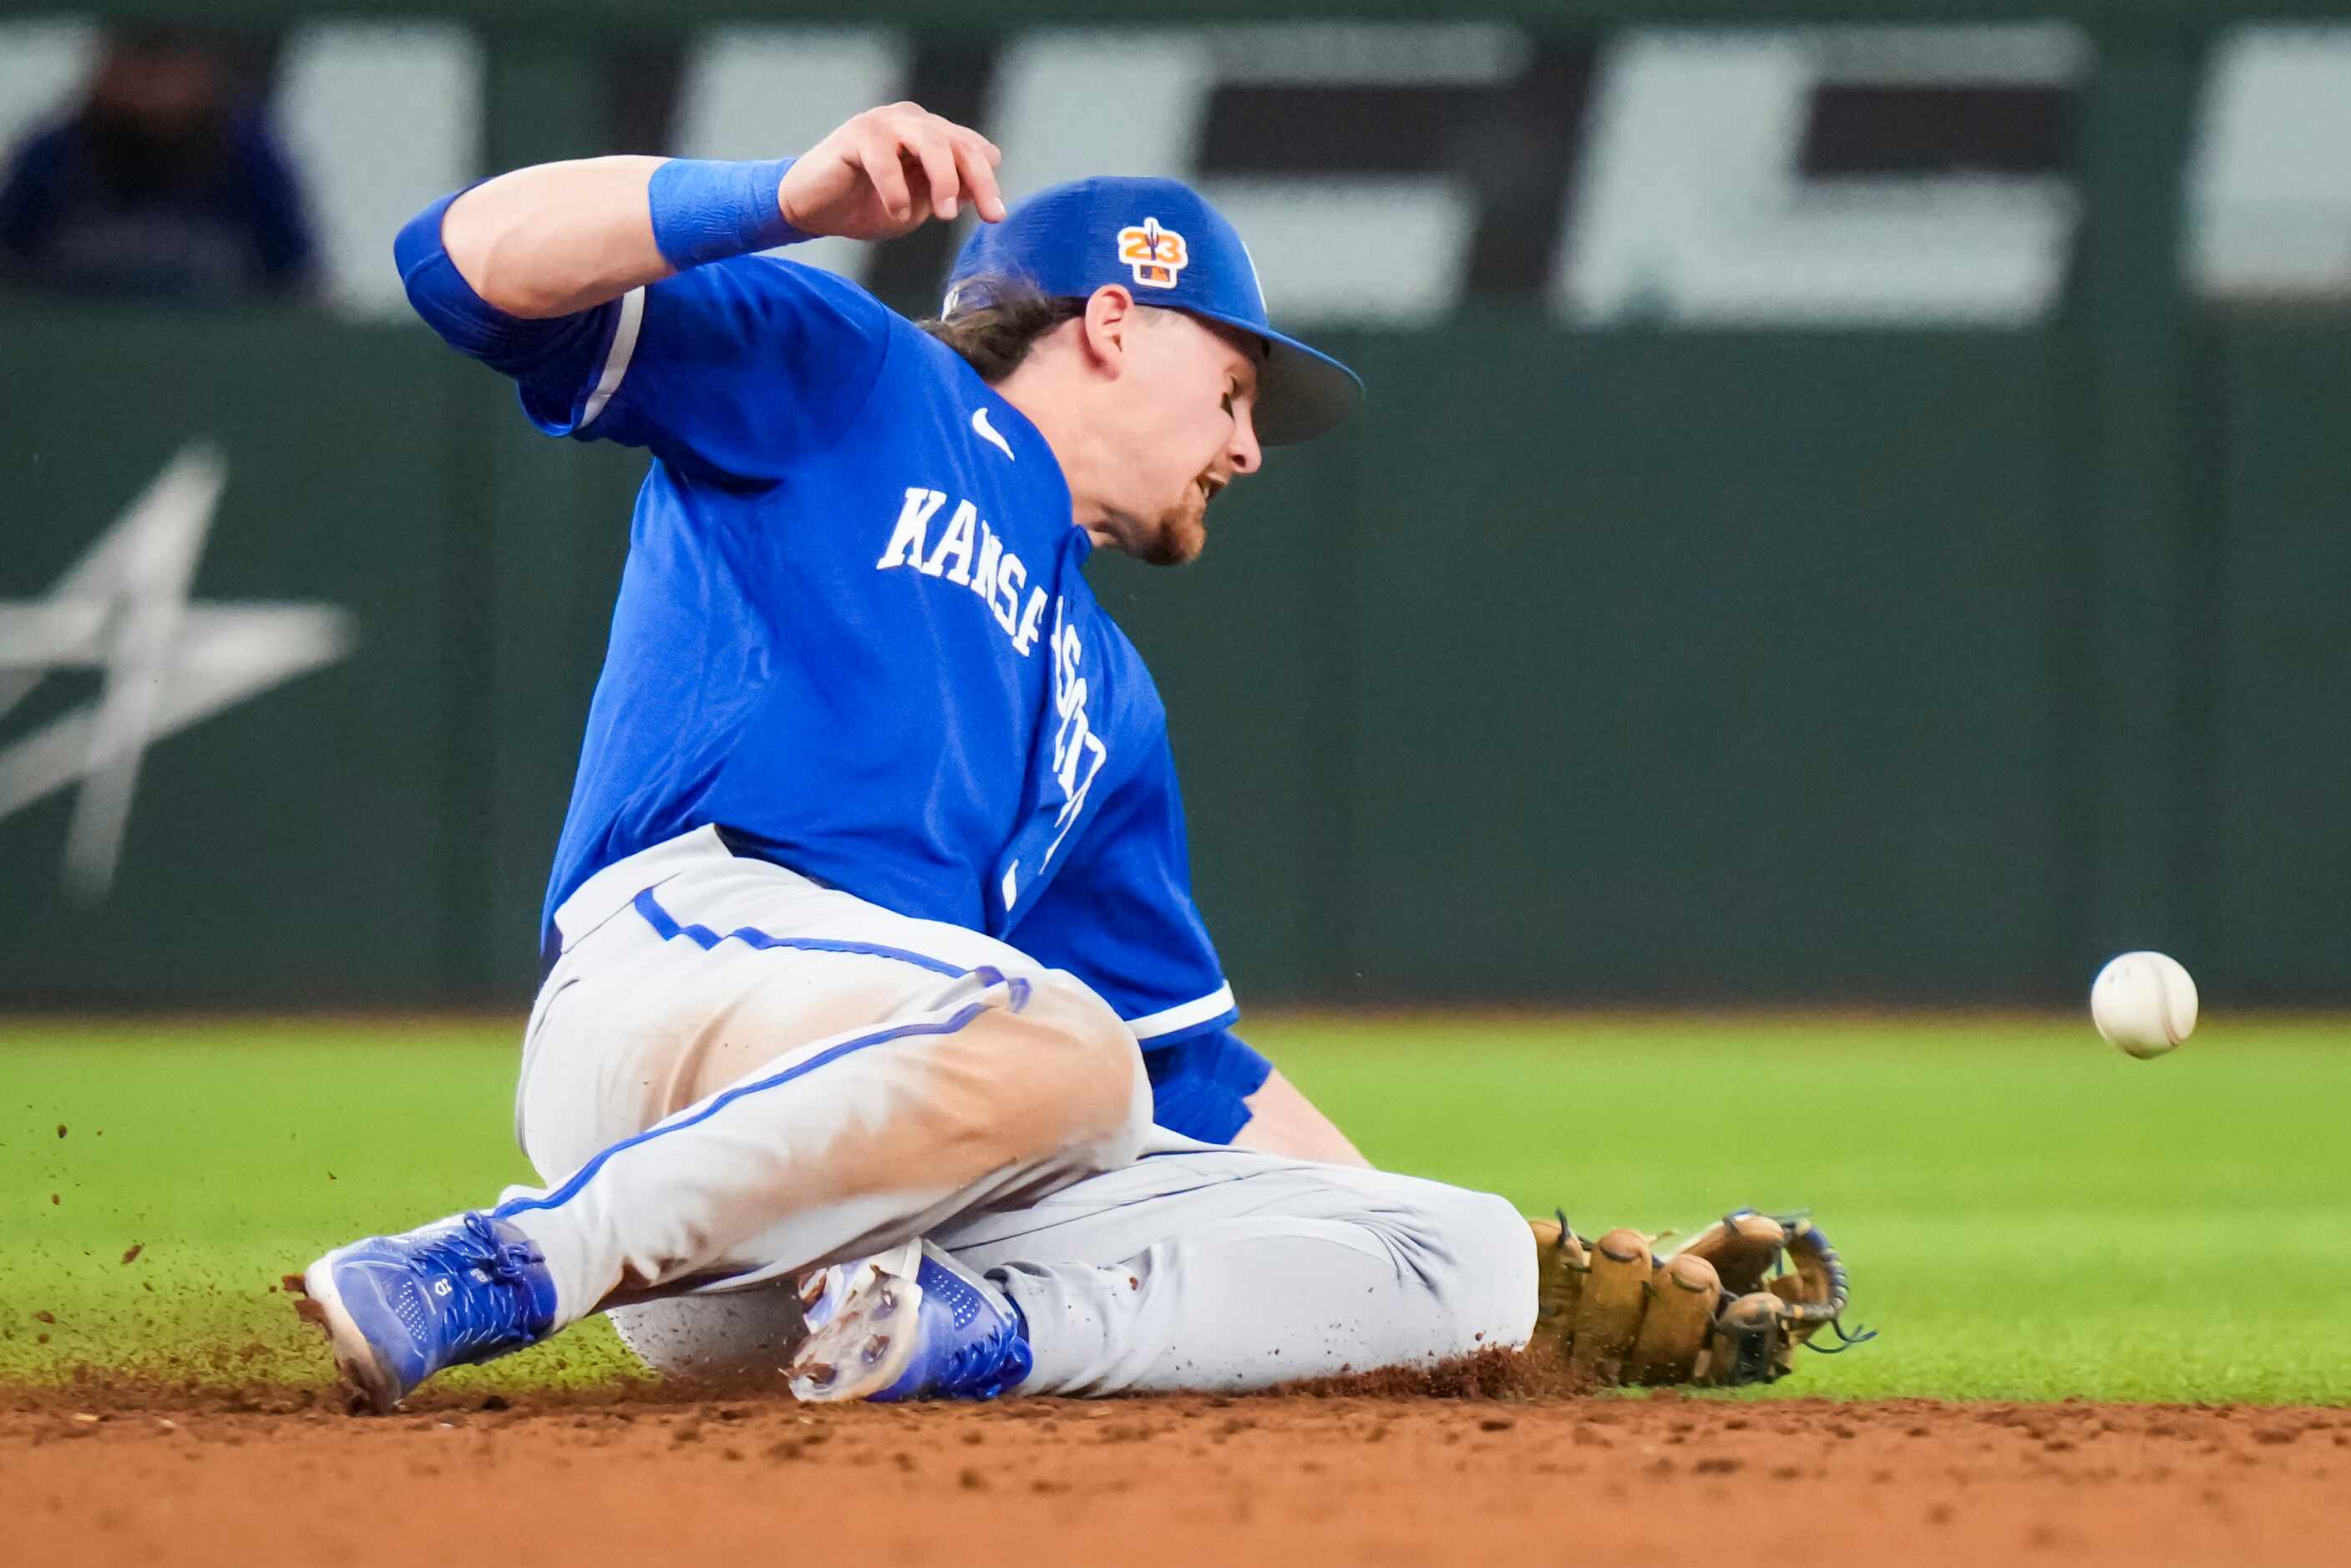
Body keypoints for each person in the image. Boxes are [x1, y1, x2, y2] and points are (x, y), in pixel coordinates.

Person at [295, 103, 1857, 1409]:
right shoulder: (863, 380)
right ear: (1113, 320)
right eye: (1234, 387)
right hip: (685, 1003)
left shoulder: (1107, 693)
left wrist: (1528, 1257)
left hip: (813, 1242)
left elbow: (1206, 1087)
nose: (1247, 449)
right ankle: (496, 1263)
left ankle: (975, 1340)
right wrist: (779, 200)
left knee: (1453, 1262)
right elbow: (466, 262)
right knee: (1064, 1046)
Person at [0, 28, 316, 301]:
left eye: (166, 64)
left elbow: (296, 281)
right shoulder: (55, 156)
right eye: (137, 60)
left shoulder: (248, 158)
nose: (150, 86)